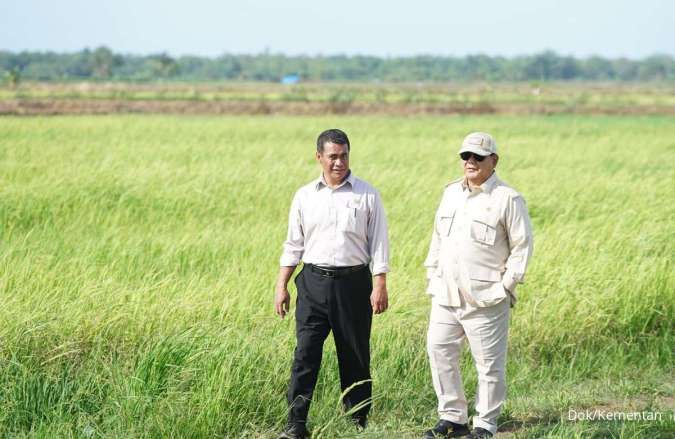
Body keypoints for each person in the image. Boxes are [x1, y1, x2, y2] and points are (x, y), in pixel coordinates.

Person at [274, 128, 390, 439]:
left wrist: (379, 284)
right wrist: (282, 284)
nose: (339, 162)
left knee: (354, 356)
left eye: (344, 155)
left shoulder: (367, 195)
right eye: (333, 156)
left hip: (354, 285)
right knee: (305, 355)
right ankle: (296, 425)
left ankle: (357, 424)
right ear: (319, 157)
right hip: (312, 284)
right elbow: (293, 244)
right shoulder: (305, 196)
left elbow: (379, 243)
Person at [422, 132, 533, 439]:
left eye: (478, 157)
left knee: (488, 364)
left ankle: (485, 424)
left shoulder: (508, 199)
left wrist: (506, 286)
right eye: (465, 157)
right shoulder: (450, 194)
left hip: (486, 296)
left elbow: (522, 247)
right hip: (445, 293)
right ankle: (453, 418)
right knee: (439, 349)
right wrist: (433, 274)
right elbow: (437, 239)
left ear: (493, 161)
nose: (470, 162)